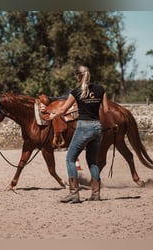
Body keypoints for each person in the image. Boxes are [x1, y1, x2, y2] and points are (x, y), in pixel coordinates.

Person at [48, 65, 118, 203]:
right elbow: (107, 110)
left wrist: (51, 115)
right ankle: (96, 194)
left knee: (70, 159)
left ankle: (74, 193)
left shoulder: (76, 92)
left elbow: (62, 110)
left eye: (75, 76)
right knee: (93, 161)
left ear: (78, 76)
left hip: (84, 127)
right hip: (98, 128)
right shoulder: (100, 90)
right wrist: (112, 125)